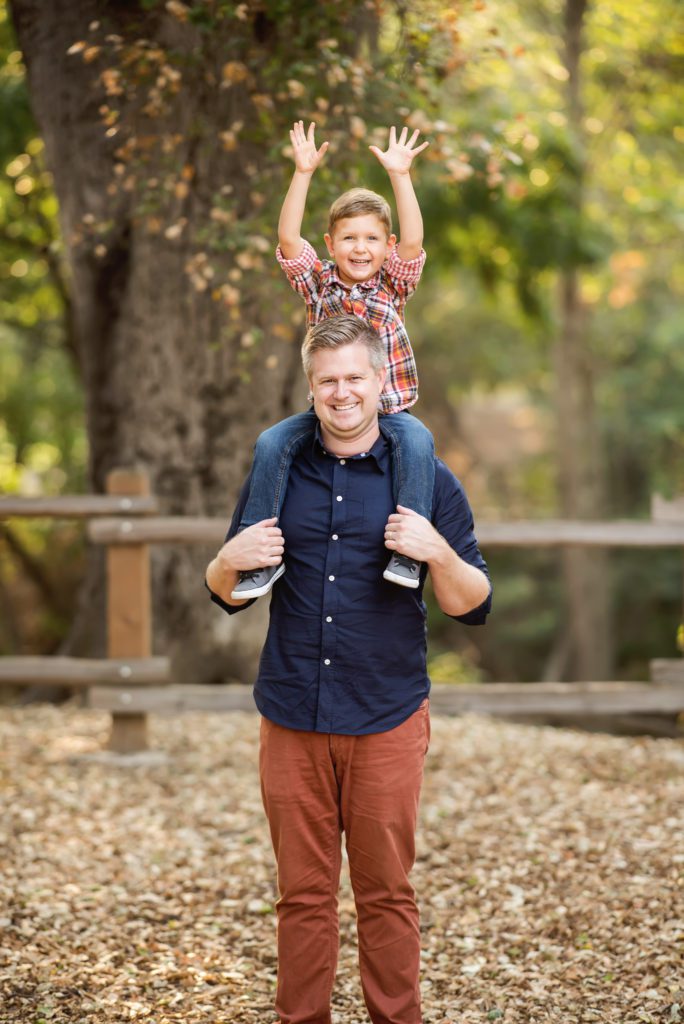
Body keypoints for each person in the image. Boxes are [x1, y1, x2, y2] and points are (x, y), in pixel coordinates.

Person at [206, 315, 492, 1024]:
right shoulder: (278, 472)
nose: (341, 393)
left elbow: (474, 604)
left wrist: (437, 553)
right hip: (291, 712)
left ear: (380, 382)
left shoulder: (423, 477)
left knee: (387, 893)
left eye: (354, 378)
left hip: (386, 713)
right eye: (327, 380)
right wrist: (223, 562)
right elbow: (227, 592)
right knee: (301, 895)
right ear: (311, 386)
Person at [231, 120, 434, 600]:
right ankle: (259, 558)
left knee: (420, 442)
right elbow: (286, 241)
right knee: (270, 443)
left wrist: (401, 177)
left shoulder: (392, 284)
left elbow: (412, 243)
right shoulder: (318, 283)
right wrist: (302, 173)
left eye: (370, 239)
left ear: (385, 248)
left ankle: (408, 553)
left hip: (389, 410)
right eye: (348, 238)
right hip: (332, 408)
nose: (359, 248)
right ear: (330, 244)